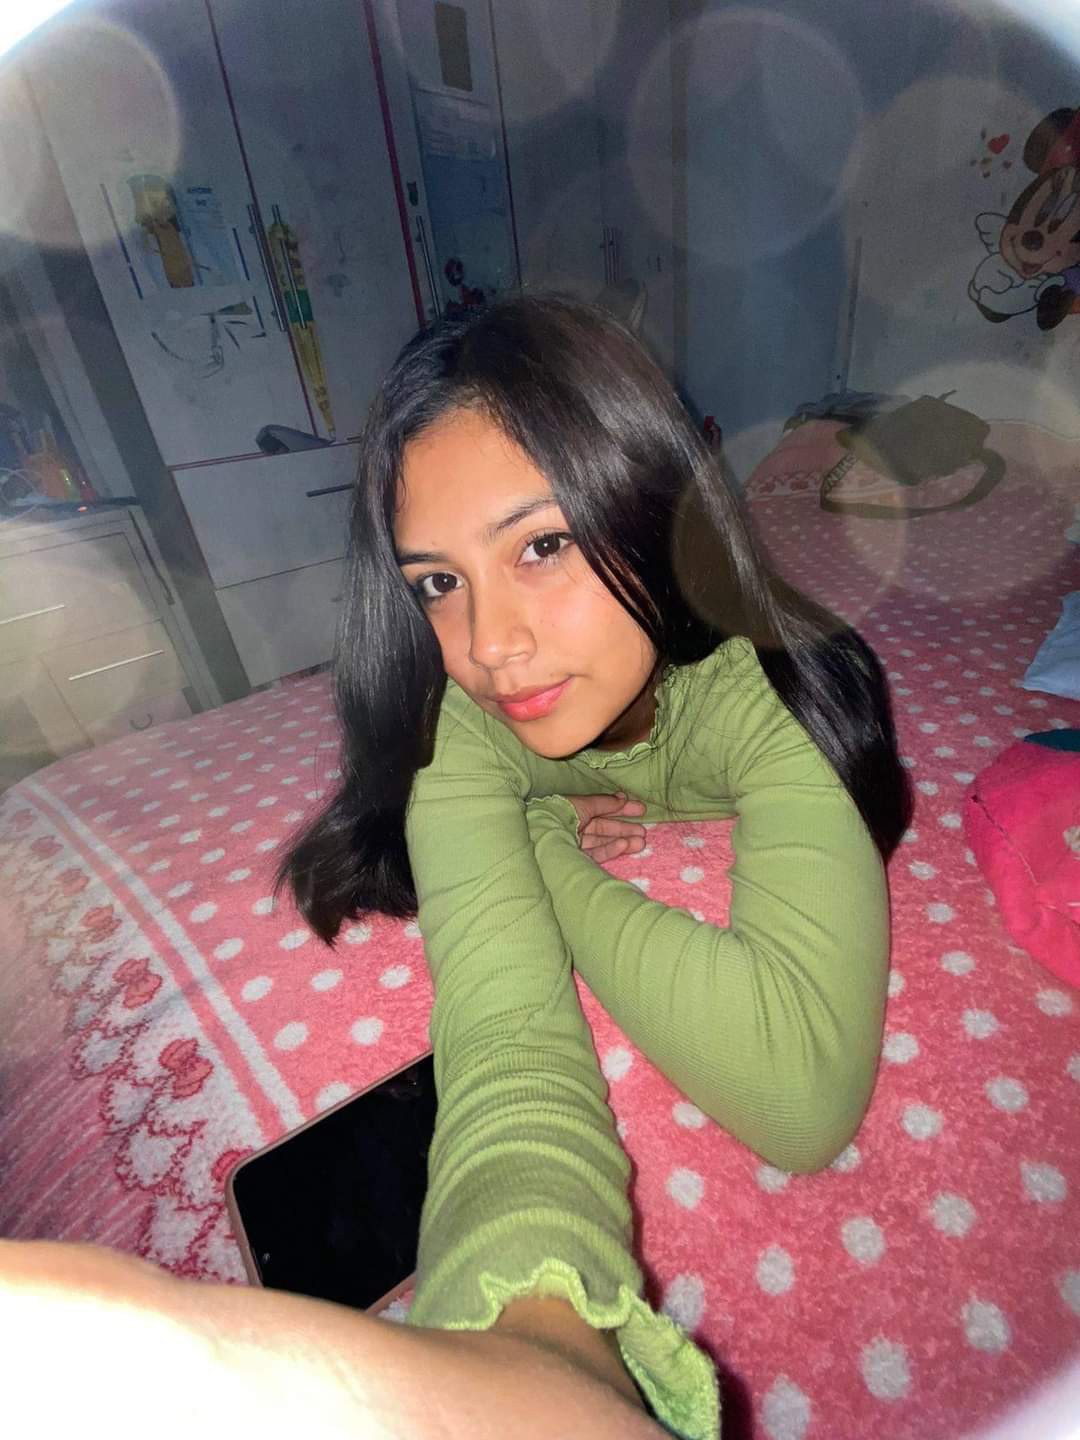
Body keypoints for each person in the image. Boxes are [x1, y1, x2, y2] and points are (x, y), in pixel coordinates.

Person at [277, 294, 914, 1437]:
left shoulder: (771, 699)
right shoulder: (464, 720)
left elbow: (801, 1088)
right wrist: (519, 1324)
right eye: (438, 582)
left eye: (541, 546)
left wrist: (539, 853)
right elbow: (505, 1032)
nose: (489, 647)